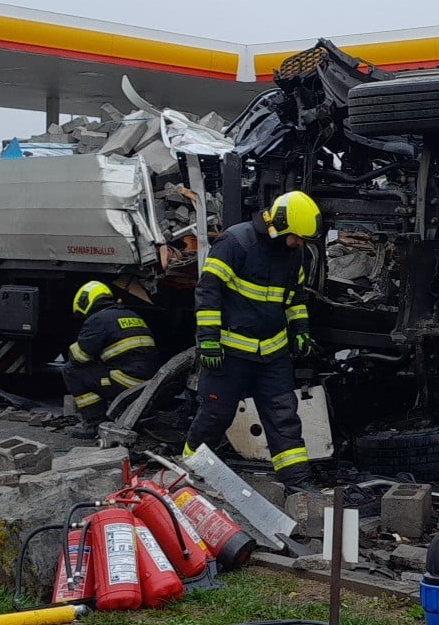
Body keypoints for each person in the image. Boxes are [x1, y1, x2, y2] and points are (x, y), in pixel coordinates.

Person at [182, 190, 321, 490]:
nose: (299, 243)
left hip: (272, 354)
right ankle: (189, 474)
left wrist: (300, 331)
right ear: (279, 224)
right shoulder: (235, 242)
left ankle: (298, 484)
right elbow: (208, 291)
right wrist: (208, 339)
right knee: (215, 415)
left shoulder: (293, 253)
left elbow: (294, 299)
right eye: (296, 236)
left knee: (284, 418)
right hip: (229, 352)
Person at [61, 279, 160, 439]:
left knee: (71, 371)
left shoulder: (97, 320)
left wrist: (75, 346)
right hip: (149, 385)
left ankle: (94, 423)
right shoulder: (131, 315)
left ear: (86, 302)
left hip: (126, 382)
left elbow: (79, 358)